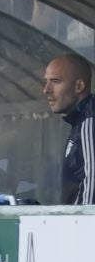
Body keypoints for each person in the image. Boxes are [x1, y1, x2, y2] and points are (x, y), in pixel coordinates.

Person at [42, 53, 94, 205]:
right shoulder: (80, 120)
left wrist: (82, 224)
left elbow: (92, 178)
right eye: (46, 82)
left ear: (79, 86)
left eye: (55, 81)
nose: (46, 89)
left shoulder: (89, 120)